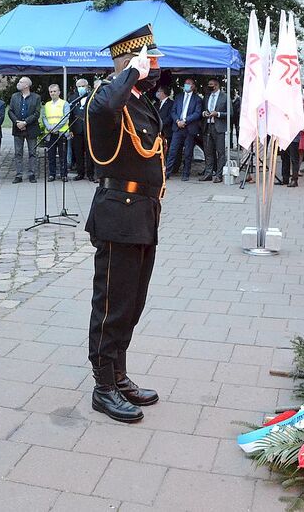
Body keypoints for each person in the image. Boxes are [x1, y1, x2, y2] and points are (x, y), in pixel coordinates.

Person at [85, 25, 163, 423]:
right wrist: (130, 71)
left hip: (143, 214)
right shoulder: (107, 95)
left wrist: (134, 79)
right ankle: (102, 387)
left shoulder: (140, 102)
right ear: (133, 62)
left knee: (132, 302)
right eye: (151, 60)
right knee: (111, 303)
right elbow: (103, 110)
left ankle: (119, 375)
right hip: (118, 213)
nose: (156, 67)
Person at [165, 78, 203, 181]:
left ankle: (186, 174)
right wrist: (178, 120)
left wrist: (185, 121)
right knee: (172, 151)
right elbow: (173, 111)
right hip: (177, 128)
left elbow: (197, 113)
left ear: (193, 86)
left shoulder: (197, 99)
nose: (186, 85)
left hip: (189, 128)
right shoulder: (178, 97)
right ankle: (167, 173)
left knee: (188, 152)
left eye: (189, 84)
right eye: (185, 83)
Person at [8, 76, 41, 184]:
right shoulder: (14, 96)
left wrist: (25, 122)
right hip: (18, 128)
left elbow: (36, 113)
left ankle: (32, 174)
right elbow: (10, 111)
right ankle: (18, 175)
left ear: (26, 85)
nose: (18, 83)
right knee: (18, 153)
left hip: (31, 128)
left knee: (32, 152)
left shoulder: (36, 97)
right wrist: (17, 122)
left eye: (21, 82)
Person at [200, 77, 228, 183]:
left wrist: (218, 114)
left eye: (211, 85)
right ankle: (208, 173)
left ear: (216, 85)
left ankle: (219, 174)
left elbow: (230, 113)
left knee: (220, 152)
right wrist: (204, 113)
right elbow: (203, 110)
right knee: (208, 152)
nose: (209, 86)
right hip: (207, 126)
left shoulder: (224, 97)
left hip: (219, 127)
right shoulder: (207, 97)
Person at [67, 78, 94, 181]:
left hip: (89, 129)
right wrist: (70, 129)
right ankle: (80, 173)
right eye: (79, 86)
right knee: (78, 152)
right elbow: (70, 115)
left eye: (83, 86)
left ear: (87, 87)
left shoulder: (92, 96)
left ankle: (91, 174)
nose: (81, 88)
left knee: (89, 153)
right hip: (76, 129)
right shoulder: (72, 98)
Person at [41, 84, 69, 182]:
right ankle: (52, 174)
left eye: (54, 91)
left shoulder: (64, 103)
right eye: (51, 92)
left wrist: (56, 127)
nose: (53, 93)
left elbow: (65, 117)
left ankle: (63, 174)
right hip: (50, 133)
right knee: (51, 155)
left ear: (59, 92)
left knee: (63, 155)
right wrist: (49, 127)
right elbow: (44, 117)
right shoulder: (47, 104)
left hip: (61, 132)